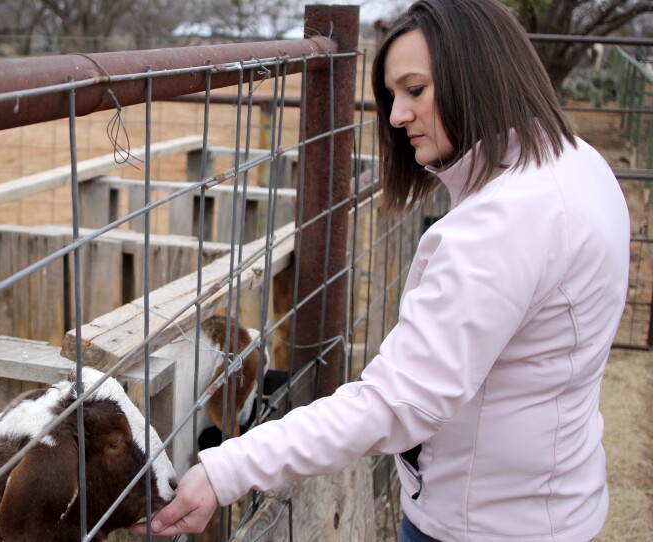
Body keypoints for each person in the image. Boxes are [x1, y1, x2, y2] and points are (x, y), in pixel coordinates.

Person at [130, 0, 630, 540]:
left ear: (476, 73)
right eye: (393, 96)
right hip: (552, 496)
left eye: (415, 90)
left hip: (482, 522)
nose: (395, 116)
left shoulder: (502, 225)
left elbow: (396, 402)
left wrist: (228, 468)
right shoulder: (577, 163)